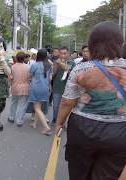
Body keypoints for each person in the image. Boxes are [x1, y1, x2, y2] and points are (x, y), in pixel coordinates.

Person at [55, 21, 126, 180]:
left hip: (83, 129)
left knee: (79, 172)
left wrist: (59, 123)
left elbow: (68, 102)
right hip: (119, 132)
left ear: (92, 44)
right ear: (119, 44)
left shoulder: (80, 68)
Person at [29, 48, 52, 136]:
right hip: (45, 88)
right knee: (39, 107)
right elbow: (50, 78)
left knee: (37, 109)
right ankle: (34, 123)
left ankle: (46, 128)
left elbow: (30, 76)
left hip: (36, 87)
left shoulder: (35, 65)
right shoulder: (49, 65)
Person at [51, 47, 76, 125]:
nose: (62, 55)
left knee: (65, 107)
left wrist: (61, 64)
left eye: (64, 53)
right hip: (57, 87)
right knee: (55, 106)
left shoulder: (72, 63)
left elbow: (72, 74)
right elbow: (53, 74)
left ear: (68, 53)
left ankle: (62, 122)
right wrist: (55, 65)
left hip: (67, 88)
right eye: (61, 53)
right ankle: (55, 119)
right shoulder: (56, 62)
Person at [8, 52, 31, 126]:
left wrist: (10, 85)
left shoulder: (13, 67)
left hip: (15, 87)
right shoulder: (28, 67)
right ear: (24, 58)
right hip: (25, 87)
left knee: (14, 102)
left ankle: (11, 117)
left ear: (17, 58)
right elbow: (30, 78)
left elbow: (10, 78)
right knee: (22, 104)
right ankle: (19, 121)